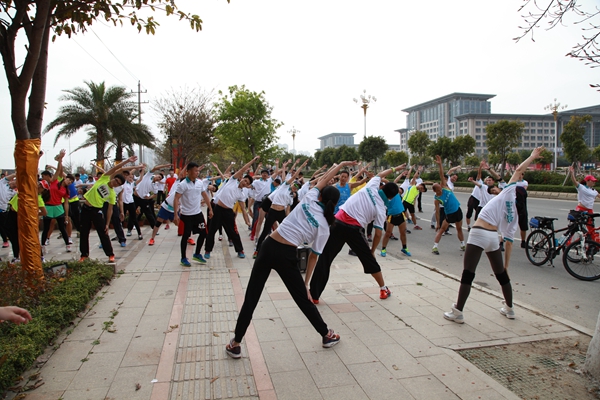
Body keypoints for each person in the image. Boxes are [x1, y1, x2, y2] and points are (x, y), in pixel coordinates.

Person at [224, 161, 356, 359]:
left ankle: (235, 344)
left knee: (251, 297)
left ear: (320, 195)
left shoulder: (310, 198)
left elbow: (324, 178)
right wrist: (306, 285)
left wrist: (342, 165)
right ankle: (326, 335)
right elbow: (313, 257)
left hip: (268, 247)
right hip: (286, 255)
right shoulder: (324, 227)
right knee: (303, 299)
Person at [443, 147, 544, 324]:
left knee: (468, 274)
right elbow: (509, 242)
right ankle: (510, 309)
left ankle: (458, 312)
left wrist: (532, 156)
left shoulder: (508, 192)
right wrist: (506, 266)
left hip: (479, 233)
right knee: (501, 275)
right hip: (492, 238)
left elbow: (519, 170)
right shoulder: (514, 215)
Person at [308, 164, 405, 303]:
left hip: (337, 223)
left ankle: (314, 296)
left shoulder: (371, 186)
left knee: (325, 259)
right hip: (354, 230)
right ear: (391, 198)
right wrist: (372, 251)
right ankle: (383, 289)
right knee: (369, 260)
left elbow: (381, 174)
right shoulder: (381, 209)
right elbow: (378, 234)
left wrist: (396, 168)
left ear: (382, 187)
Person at [79, 156, 138, 263]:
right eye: (116, 180)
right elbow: (117, 168)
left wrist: (107, 224)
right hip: (86, 209)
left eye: (118, 183)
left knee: (103, 233)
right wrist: (128, 161)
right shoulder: (104, 179)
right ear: (113, 178)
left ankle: (110, 254)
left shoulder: (112, 194)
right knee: (84, 232)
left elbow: (110, 210)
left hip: (96, 211)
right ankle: (84, 255)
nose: (115, 183)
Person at [204, 158, 258, 260]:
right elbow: (242, 169)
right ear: (242, 178)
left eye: (247, 183)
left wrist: (247, 221)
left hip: (228, 212)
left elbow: (243, 208)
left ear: (247, 186)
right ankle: (208, 250)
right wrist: (253, 160)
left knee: (233, 232)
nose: (244, 182)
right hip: (218, 209)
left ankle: (240, 250)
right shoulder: (232, 180)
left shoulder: (242, 194)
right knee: (212, 230)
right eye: (245, 180)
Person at [254, 160, 308, 258]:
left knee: (287, 231)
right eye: (295, 185)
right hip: (272, 211)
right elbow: (294, 175)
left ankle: (288, 250)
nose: (295, 187)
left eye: (297, 187)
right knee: (265, 231)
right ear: (292, 184)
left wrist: (289, 218)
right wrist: (301, 166)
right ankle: (257, 250)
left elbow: (288, 209)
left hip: (281, 213)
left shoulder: (291, 197)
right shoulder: (284, 186)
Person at [172, 162, 213, 267]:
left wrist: (210, 209)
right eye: (195, 171)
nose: (197, 172)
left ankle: (197, 254)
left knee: (204, 233)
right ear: (188, 171)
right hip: (186, 215)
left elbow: (205, 195)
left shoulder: (199, 183)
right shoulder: (182, 184)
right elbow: (176, 198)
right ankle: (183, 258)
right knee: (185, 236)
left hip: (198, 214)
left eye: (198, 170)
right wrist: (175, 215)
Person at [431, 156, 466, 255]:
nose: (440, 189)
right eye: (438, 189)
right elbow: (437, 212)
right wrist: (437, 223)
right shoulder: (437, 199)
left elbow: (441, 174)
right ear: (435, 191)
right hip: (449, 214)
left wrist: (440, 165)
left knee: (459, 228)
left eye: (440, 187)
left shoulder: (444, 187)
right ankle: (435, 247)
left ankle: (463, 244)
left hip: (457, 210)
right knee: (442, 229)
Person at [40, 150, 72, 254]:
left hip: (58, 207)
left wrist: (66, 215)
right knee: (46, 228)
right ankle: (43, 245)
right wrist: (60, 160)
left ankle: (67, 244)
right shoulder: (48, 183)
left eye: (71, 182)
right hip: (48, 207)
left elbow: (66, 203)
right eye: (68, 180)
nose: (68, 182)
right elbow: (59, 170)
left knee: (62, 227)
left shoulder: (62, 187)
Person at [149, 164, 188, 246]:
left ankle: (188, 238)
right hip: (166, 206)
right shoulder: (177, 184)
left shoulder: (187, 191)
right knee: (158, 223)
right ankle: (152, 239)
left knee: (180, 224)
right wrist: (186, 167)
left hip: (174, 210)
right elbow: (181, 174)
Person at [568, 166, 600, 240]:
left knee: (591, 227)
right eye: (592, 181)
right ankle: (568, 241)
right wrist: (572, 173)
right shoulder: (581, 187)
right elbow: (574, 182)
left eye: (594, 181)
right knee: (575, 226)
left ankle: (592, 242)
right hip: (581, 209)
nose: (594, 182)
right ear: (587, 181)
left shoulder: (594, 191)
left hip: (589, 210)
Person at [380, 184, 411, 258]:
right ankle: (383, 249)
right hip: (391, 216)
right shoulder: (385, 196)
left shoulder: (396, 193)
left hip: (401, 215)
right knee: (388, 233)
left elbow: (391, 183)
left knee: (403, 233)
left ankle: (404, 248)